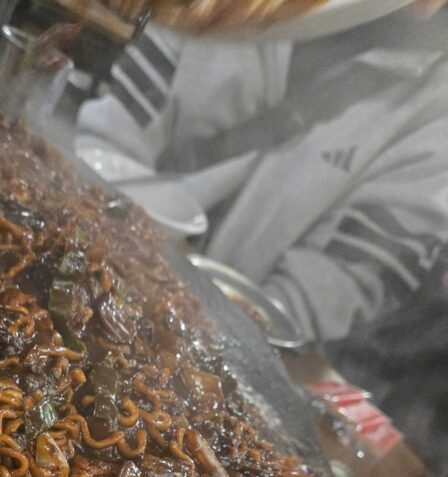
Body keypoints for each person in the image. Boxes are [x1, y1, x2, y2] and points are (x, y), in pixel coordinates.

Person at [77, 6, 448, 346]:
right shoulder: (234, 10)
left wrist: (202, 330)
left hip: (219, 335)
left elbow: (329, 289)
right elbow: (111, 136)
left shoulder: (436, 114)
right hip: (97, 235)